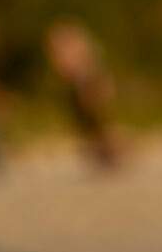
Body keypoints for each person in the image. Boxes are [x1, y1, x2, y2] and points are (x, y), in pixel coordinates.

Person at [44, 19, 121, 170]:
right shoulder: (78, 49)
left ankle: (110, 152)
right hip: (78, 87)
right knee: (90, 124)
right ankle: (105, 153)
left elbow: (70, 69)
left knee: (96, 123)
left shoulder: (78, 52)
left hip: (84, 85)